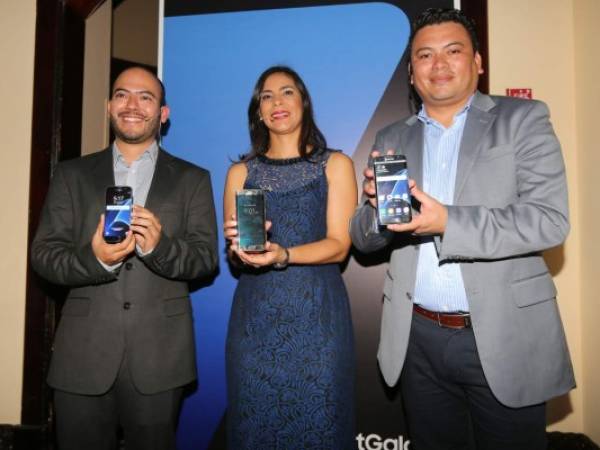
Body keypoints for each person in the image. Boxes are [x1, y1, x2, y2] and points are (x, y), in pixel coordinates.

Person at [350, 8, 574, 450]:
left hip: (503, 336)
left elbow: (549, 220)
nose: (439, 65)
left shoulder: (523, 119)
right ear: (412, 73)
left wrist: (448, 221)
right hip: (418, 341)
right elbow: (362, 237)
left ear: (477, 62)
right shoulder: (391, 137)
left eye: (453, 51)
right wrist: (378, 211)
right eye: (424, 56)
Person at [31, 66, 218, 450]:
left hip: (160, 357)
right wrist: (95, 258)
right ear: (108, 106)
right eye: (122, 94)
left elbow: (205, 259)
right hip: (82, 356)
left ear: (163, 113)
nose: (132, 104)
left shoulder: (192, 179)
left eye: (146, 97)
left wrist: (158, 247)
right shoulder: (71, 174)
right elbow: (44, 257)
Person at [223, 66, 357, 449]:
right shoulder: (239, 173)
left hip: (318, 325)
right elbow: (235, 256)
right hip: (255, 326)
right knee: (255, 430)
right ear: (258, 110)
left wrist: (282, 254)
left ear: (304, 103)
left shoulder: (335, 165)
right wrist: (239, 249)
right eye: (266, 96)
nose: (277, 102)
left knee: (322, 428)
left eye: (286, 93)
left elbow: (339, 244)